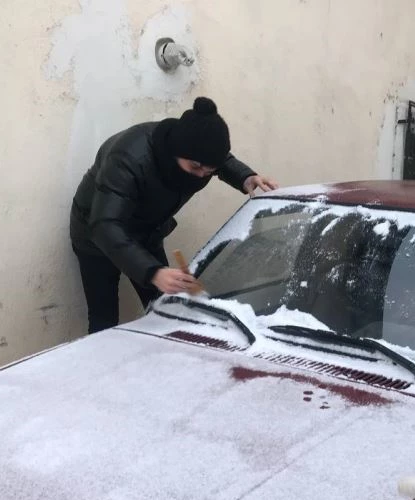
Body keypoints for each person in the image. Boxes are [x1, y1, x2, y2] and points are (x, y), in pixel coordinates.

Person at [69, 96, 279, 334]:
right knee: (103, 316)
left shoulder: (199, 155)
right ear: (174, 151)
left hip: (146, 233)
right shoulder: (128, 157)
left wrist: (246, 177)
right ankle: (102, 365)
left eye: (209, 171)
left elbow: (221, 160)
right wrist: (153, 272)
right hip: (96, 234)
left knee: (165, 306)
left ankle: (160, 361)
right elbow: (105, 225)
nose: (201, 175)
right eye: (196, 167)